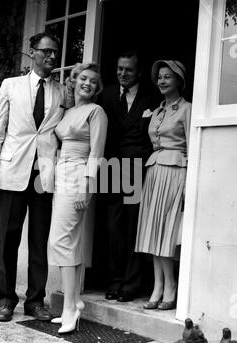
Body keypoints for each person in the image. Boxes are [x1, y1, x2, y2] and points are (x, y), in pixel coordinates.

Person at [0, 32, 73, 322]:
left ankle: (35, 301)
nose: (52, 57)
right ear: (31, 52)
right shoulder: (11, 86)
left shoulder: (61, 92)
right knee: (8, 238)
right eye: (46, 51)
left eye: (55, 52)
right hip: (12, 171)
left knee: (38, 239)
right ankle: (6, 300)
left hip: (44, 174)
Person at [48, 62, 108, 334]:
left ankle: (71, 307)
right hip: (62, 174)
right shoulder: (69, 111)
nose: (88, 83)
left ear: (98, 88)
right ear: (74, 80)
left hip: (78, 175)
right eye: (84, 78)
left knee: (61, 240)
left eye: (93, 81)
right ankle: (72, 302)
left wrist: (87, 186)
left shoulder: (96, 111)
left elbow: (96, 153)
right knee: (67, 240)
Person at [98, 50, 155, 302]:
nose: (123, 73)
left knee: (133, 226)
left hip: (136, 168)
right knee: (112, 228)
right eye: (120, 69)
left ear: (138, 72)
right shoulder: (106, 94)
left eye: (128, 70)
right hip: (111, 168)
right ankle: (115, 280)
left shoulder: (151, 97)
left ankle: (132, 284)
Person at [135, 60, 191, 310]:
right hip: (155, 171)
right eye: (159, 77)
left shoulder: (187, 109)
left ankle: (170, 286)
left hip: (175, 172)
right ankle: (157, 286)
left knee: (167, 232)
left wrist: (189, 183)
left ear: (179, 80)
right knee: (153, 231)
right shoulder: (156, 112)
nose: (162, 80)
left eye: (168, 76)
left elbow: (193, 148)